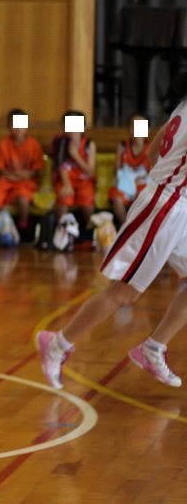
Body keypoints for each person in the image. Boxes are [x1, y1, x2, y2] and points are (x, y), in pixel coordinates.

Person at [37, 73, 187, 390]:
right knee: (125, 293)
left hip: (176, 204)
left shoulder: (182, 107)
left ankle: (153, 348)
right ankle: (57, 344)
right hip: (164, 206)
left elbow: (151, 153)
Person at [0, 109, 44, 242]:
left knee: (23, 199)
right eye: (14, 125)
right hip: (5, 180)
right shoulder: (3, 144)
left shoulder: (34, 145)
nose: (18, 129)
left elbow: (35, 171)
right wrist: (17, 175)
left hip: (25, 181)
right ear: (8, 126)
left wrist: (16, 176)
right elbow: (0, 169)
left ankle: (22, 229)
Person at [50, 110, 96, 249]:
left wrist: (75, 155)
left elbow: (90, 171)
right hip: (66, 179)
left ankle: (89, 235)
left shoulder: (89, 144)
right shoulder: (60, 142)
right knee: (64, 198)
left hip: (84, 180)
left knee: (87, 202)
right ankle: (63, 233)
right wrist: (67, 184)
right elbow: (60, 166)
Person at [109, 113, 152, 226]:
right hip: (125, 184)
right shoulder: (122, 146)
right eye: (133, 125)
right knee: (117, 198)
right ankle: (125, 226)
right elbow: (116, 170)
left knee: (143, 195)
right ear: (129, 129)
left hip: (142, 184)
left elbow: (154, 171)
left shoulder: (151, 147)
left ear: (148, 130)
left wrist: (142, 178)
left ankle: (137, 228)